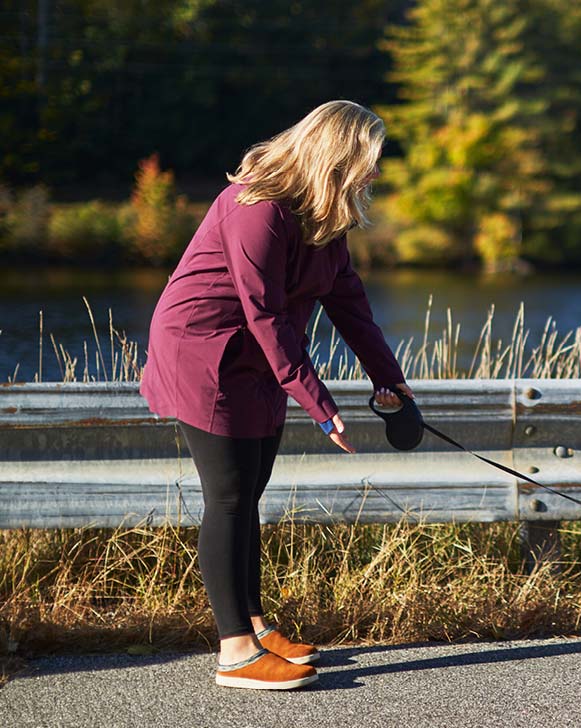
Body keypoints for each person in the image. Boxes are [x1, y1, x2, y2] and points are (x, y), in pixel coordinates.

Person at [140, 100, 413, 690]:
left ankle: (256, 628)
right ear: (336, 157)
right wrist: (321, 405)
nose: (375, 172)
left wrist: (389, 380)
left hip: (261, 357)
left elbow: (350, 305)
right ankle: (235, 652)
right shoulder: (257, 210)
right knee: (230, 495)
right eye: (369, 160)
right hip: (205, 352)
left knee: (250, 490)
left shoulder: (322, 218)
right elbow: (265, 315)